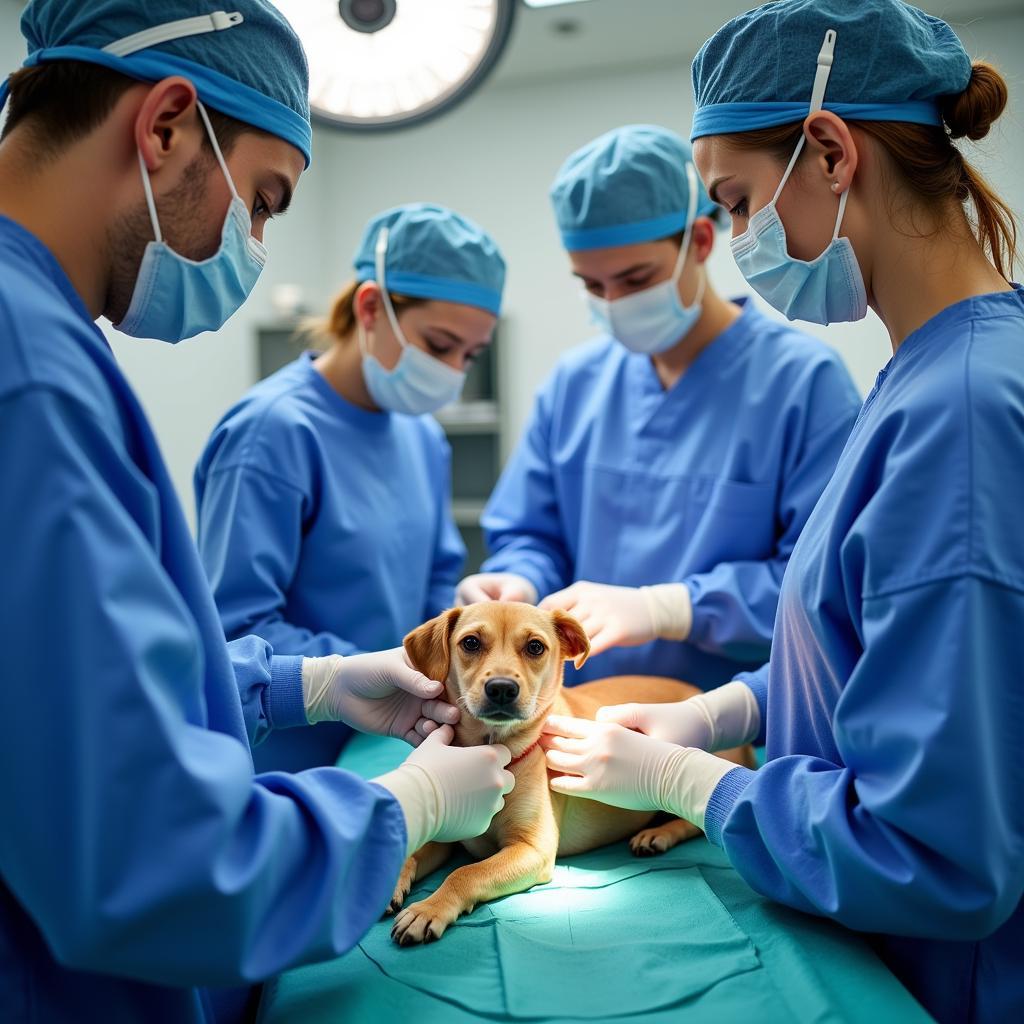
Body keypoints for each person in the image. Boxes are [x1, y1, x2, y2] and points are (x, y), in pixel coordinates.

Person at [0, 4, 512, 1022]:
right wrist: (398, 807)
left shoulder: (50, 345)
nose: (260, 244)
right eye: (264, 202)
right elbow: (151, 863)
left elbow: (102, 687)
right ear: (165, 126)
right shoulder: (32, 377)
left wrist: (311, 682)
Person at [540, 3, 1024, 1022]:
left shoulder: (964, 414)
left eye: (738, 202)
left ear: (831, 151)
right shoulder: (924, 378)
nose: (743, 239)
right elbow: (873, 660)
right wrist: (726, 711)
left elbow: (935, 855)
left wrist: (691, 782)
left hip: (947, 982)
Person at [459, 124, 860, 688]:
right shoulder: (575, 385)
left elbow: (821, 582)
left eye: (634, 278)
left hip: (727, 730)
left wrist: (671, 609)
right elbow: (532, 534)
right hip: (578, 715)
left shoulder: (802, 385)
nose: (614, 303)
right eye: (593, 286)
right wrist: (518, 581)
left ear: (699, 241)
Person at [196, 203, 504, 773]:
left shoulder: (422, 436)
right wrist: (367, 671)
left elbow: (434, 582)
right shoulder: (272, 433)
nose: (454, 371)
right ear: (370, 307)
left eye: (471, 355)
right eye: (439, 345)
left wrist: (466, 624)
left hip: (393, 746)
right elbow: (235, 629)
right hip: (290, 762)